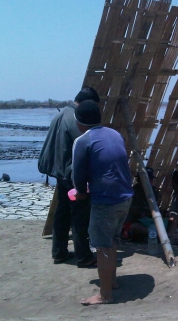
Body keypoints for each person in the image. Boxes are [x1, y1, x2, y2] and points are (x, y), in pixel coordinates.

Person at [71, 100, 134, 305]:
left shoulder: (83, 141)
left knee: (102, 247)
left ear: (79, 122)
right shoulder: (114, 134)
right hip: (125, 196)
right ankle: (112, 281)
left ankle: (105, 294)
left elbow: (78, 175)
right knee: (112, 241)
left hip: (106, 200)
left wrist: (80, 192)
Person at [37, 86, 99, 267]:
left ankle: (59, 252)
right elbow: (86, 147)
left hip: (59, 172)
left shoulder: (60, 114)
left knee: (62, 214)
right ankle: (84, 256)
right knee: (79, 216)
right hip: (72, 174)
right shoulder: (75, 118)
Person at [121, 167, 162, 242]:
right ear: (140, 180)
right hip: (135, 222)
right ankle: (159, 236)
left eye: (150, 180)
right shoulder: (133, 192)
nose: (150, 181)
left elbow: (157, 206)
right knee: (137, 228)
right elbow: (135, 211)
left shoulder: (155, 191)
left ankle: (159, 235)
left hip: (150, 220)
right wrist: (147, 213)